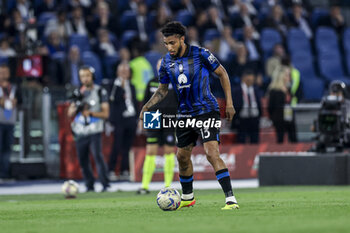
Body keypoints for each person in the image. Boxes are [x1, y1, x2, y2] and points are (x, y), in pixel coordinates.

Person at [139, 22, 239, 210]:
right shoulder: (167, 62)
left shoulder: (201, 54)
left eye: (172, 43)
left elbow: (222, 74)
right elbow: (162, 90)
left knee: (211, 153)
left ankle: (230, 199)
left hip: (207, 110)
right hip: (184, 114)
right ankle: (188, 198)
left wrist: (230, 103)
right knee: (182, 157)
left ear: (182, 39)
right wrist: (147, 106)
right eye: (166, 43)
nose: (169, 47)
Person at [137, 59, 177, 194]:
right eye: (160, 65)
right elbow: (145, 103)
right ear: (157, 67)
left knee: (169, 151)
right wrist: (141, 119)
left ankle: (167, 186)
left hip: (170, 117)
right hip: (152, 118)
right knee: (150, 151)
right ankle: (145, 186)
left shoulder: (175, 82)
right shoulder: (151, 82)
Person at [67, 66, 110, 192]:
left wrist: (90, 113)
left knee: (97, 156)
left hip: (95, 129)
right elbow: (70, 113)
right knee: (82, 159)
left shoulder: (100, 91)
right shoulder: (78, 93)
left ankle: (104, 183)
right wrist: (75, 106)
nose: (85, 79)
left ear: (92, 77)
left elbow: (106, 114)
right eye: (82, 76)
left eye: (87, 76)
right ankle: (89, 184)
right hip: (80, 130)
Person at [108, 62, 138, 181]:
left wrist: (137, 118)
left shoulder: (132, 86)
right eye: (122, 70)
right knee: (117, 145)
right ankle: (111, 170)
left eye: (126, 71)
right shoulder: (113, 85)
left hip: (131, 118)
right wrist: (120, 86)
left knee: (127, 146)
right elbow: (112, 99)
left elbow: (135, 102)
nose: (124, 73)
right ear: (118, 72)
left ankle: (124, 170)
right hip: (118, 120)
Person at [0, 64, 21, 179]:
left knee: (7, 149)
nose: (3, 75)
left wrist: (15, 101)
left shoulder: (13, 87)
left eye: (5, 72)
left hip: (10, 122)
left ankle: (4, 173)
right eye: (1, 72)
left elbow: (20, 101)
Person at [268, 66, 297, 143]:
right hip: (279, 119)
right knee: (280, 141)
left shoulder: (288, 89)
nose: (289, 77)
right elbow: (271, 107)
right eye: (287, 75)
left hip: (289, 117)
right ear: (281, 76)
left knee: (293, 139)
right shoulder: (274, 91)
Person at [232, 70, 262, 143]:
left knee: (255, 141)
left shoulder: (255, 89)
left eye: (252, 80)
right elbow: (235, 105)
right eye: (249, 79)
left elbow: (259, 103)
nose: (251, 81)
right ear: (244, 78)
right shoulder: (237, 90)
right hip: (242, 119)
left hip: (254, 119)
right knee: (241, 140)